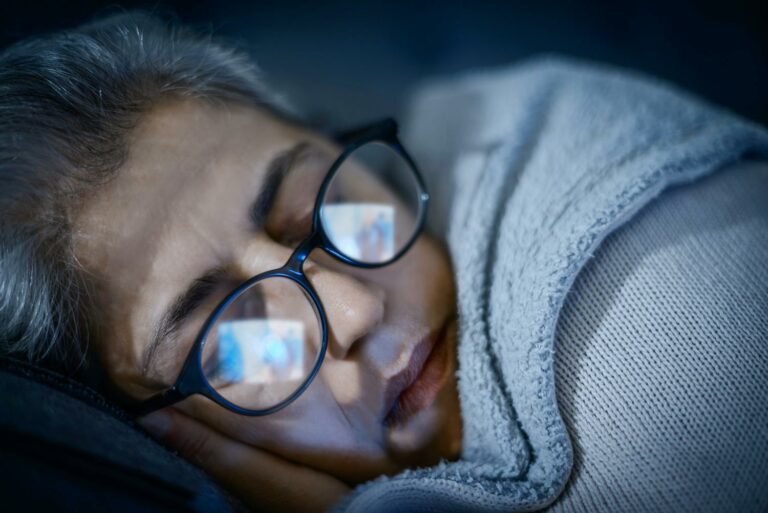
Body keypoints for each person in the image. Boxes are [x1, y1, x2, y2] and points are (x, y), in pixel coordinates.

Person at [1, 11, 767, 513]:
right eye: (237, 339)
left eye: (317, 208)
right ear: (158, 429)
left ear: (333, 139)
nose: (356, 310)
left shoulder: (670, 302)